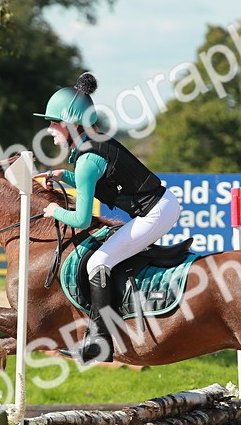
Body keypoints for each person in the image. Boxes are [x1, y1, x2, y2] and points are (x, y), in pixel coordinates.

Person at [34, 72, 183, 363]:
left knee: (98, 262)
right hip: (161, 206)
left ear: (72, 125)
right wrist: (62, 175)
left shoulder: (88, 159)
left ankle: (99, 343)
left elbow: (80, 220)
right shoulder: (89, 149)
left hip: (155, 213)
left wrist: (53, 210)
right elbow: (96, 182)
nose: (50, 129)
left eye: (54, 123)